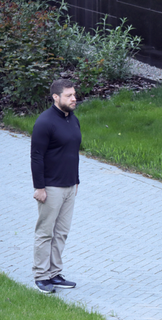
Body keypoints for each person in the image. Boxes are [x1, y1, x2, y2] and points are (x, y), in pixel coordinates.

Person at [31, 79, 81, 294]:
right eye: (69, 95)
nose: (73, 98)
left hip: (70, 186)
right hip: (51, 187)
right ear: (55, 97)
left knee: (61, 233)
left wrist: (76, 181)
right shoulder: (45, 122)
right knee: (45, 233)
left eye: (74, 94)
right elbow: (36, 156)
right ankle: (41, 276)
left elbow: (72, 152)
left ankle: (54, 273)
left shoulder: (73, 119)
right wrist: (39, 187)